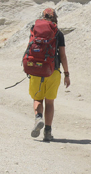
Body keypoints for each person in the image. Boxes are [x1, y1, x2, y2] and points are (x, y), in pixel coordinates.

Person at [29, 8, 70, 142]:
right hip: (53, 71)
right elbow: (62, 56)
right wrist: (67, 74)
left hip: (36, 70)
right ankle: (47, 131)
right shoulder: (58, 33)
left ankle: (38, 117)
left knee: (37, 99)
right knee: (50, 102)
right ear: (55, 18)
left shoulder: (35, 29)